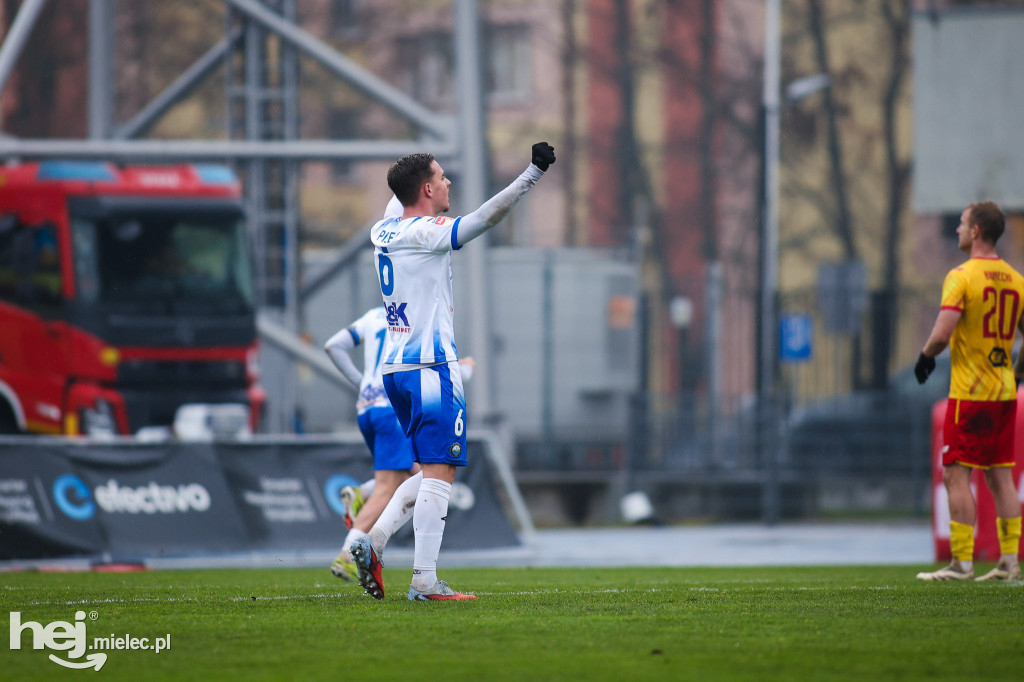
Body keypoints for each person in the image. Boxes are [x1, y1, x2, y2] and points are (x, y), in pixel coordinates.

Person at [350, 141, 556, 601]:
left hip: (395, 371)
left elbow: (400, 194)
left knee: (425, 473)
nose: (449, 183)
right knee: (441, 476)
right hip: (430, 368)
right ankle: (424, 580)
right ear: (425, 189)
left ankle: (371, 542)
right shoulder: (426, 232)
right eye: (442, 177)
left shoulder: (384, 228)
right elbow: (485, 218)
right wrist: (533, 174)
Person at [324, 303, 475, 582]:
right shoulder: (417, 315)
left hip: (366, 407)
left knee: (415, 474)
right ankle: (349, 554)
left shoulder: (371, 317)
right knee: (399, 483)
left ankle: (362, 494)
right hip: (392, 406)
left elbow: (333, 345)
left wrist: (361, 383)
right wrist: (464, 370)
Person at [914, 200, 1023, 581]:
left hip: (971, 394)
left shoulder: (961, 276)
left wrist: (925, 357)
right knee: (1001, 477)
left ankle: (961, 563)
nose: (958, 230)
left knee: (955, 475)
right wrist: (1016, 371)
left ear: (976, 231)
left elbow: (942, 333)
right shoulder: (1015, 279)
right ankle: (1010, 562)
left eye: (961, 224)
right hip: (1004, 393)